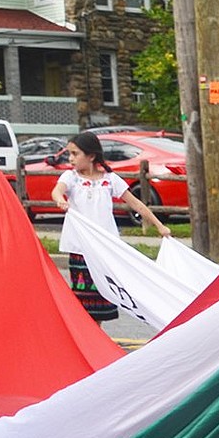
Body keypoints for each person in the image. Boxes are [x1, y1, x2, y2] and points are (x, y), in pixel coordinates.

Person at [51, 131, 171, 322]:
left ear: (91, 156)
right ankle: (86, 341)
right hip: (80, 248)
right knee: (83, 300)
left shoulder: (110, 180)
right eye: (70, 154)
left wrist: (160, 226)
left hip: (104, 248)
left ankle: (96, 340)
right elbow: (57, 191)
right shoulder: (71, 177)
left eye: (75, 154)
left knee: (101, 298)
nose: (71, 159)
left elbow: (136, 204)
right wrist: (60, 201)